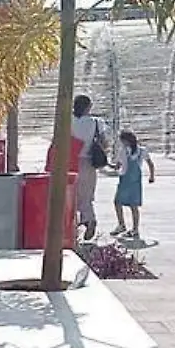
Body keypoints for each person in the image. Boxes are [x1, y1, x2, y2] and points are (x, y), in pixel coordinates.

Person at [72, 95, 109, 240]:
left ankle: (73, 224)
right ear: (88, 107)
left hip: (70, 160)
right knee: (86, 195)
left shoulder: (68, 121)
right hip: (88, 161)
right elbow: (105, 143)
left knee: (71, 193)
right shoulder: (96, 122)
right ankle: (89, 219)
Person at [110, 130, 156, 239]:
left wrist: (107, 165)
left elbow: (118, 165)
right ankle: (134, 229)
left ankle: (122, 225)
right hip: (135, 181)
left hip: (126, 180)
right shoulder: (142, 151)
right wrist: (151, 176)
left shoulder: (123, 151)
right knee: (133, 206)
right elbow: (150, 164)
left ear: (126, 141)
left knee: (118, 202)